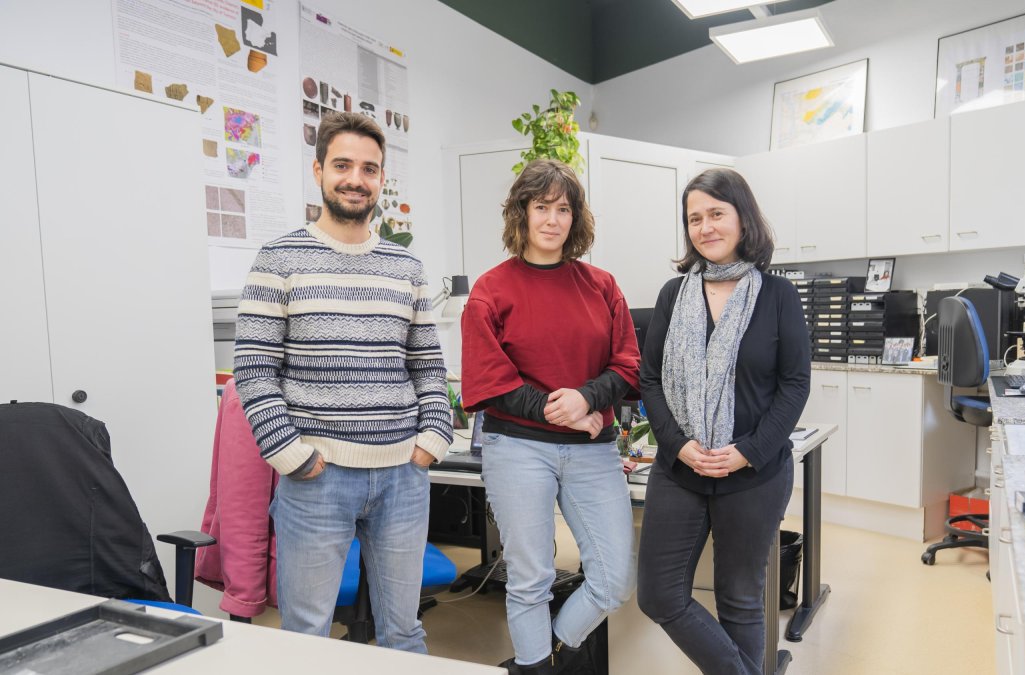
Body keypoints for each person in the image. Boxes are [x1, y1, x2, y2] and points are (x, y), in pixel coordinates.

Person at [234, 111, 452, 652]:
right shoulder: (278, 258)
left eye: (369, 168)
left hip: (403, 477)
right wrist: (291, 455)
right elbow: (254, 368)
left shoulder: (406, 268)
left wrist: (432, 440)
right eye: (343, 165)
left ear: (381, 180)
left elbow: (427, 365)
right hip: (316, 480)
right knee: (307, 638)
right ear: (318, 171)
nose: (356, 178)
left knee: (405, 632)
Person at [461, 159, 640, 674]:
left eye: (564, 209)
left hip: (593, 450)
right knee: (531, 578)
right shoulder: (491, 290)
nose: (553, 219)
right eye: (542, 207)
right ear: (522, 212)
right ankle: (535, 664)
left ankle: (550, 653)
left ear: (575, 219)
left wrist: (587, 399)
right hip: (516, 448)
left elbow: (628, 362)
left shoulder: (601, 285)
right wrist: (562, 413)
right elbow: (487, 380)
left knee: (613, 580)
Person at [637, 168, 811, 675]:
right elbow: (650, 380)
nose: (705, 227)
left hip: (754, 472)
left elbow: (794, 385)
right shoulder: (674, 294)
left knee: (739, 600)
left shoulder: (778, 296)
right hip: (681, 468)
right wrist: (679, 445)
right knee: (659, 594)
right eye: (695, 218)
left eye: (716, 214)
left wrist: (747, 451)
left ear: (742, 218)